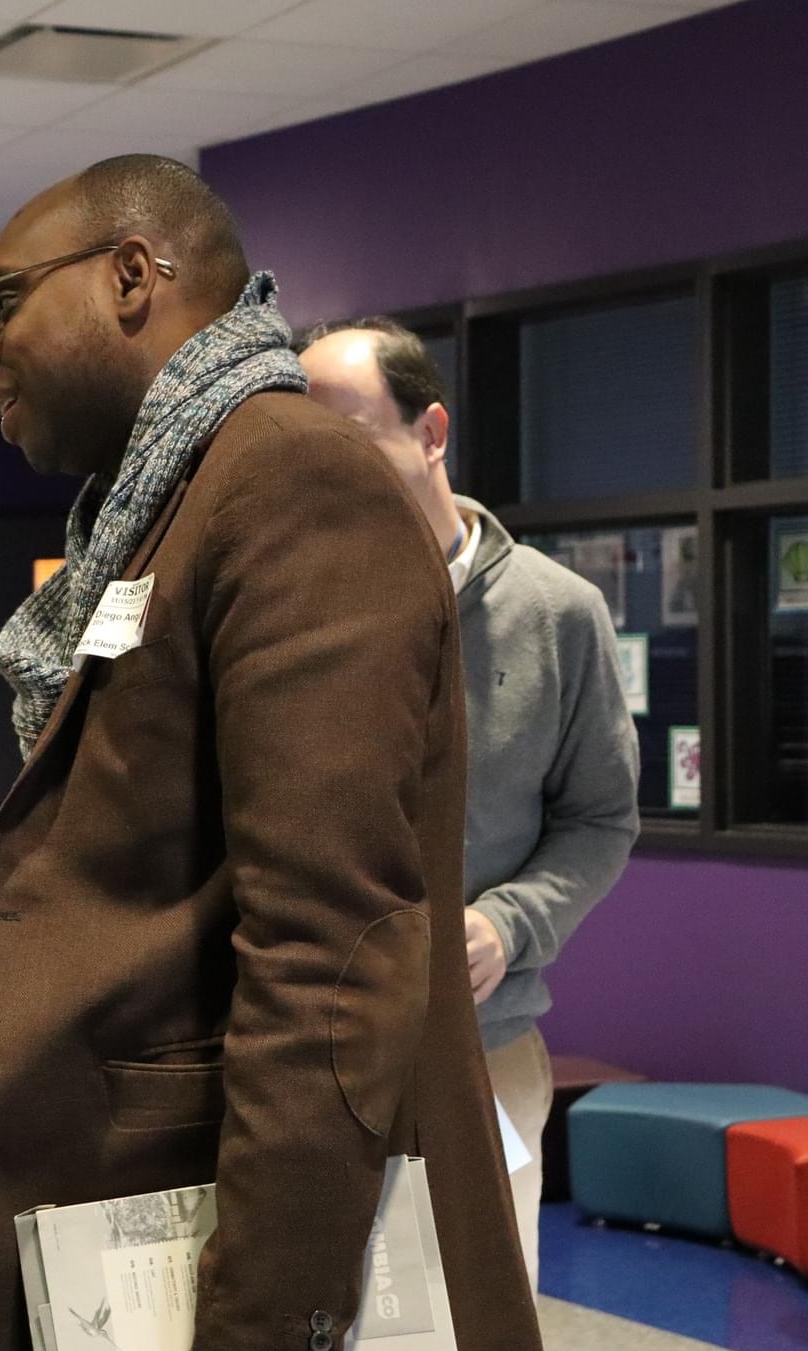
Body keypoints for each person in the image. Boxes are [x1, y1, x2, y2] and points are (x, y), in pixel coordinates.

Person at [0, 154, 541, 1351]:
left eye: (0, 303)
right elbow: (161, 889)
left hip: (242, 1269)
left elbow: (331, 957)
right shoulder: (165, 501)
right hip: (142, 1227)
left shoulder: (288, 482)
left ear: (128, 277)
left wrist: (257, 1335)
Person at [298, 317, 641, 1286]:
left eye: (349, 432)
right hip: (292, 1048)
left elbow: (598, 818)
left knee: (475, 1317)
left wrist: (506, 925)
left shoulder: (553, 613)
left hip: (478, 1051)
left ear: (430, 431)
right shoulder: (277, 613)